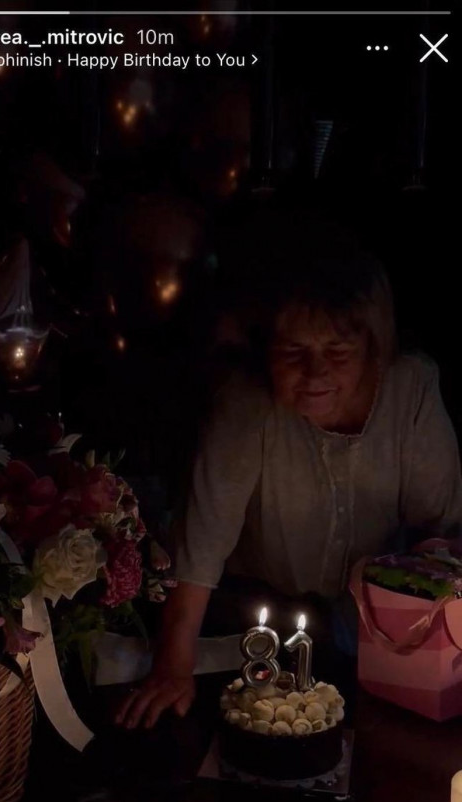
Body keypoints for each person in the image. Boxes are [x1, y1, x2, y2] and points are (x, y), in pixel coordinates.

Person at [116, 235, 462, 729]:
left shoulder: (410, 391)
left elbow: (443, 537)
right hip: (256, 616)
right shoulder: (246, 404)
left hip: (386, 628)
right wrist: (173, 666)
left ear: (373, 347)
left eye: (338, 350)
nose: (315, 371)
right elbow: (202, 546)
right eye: (293, 349)